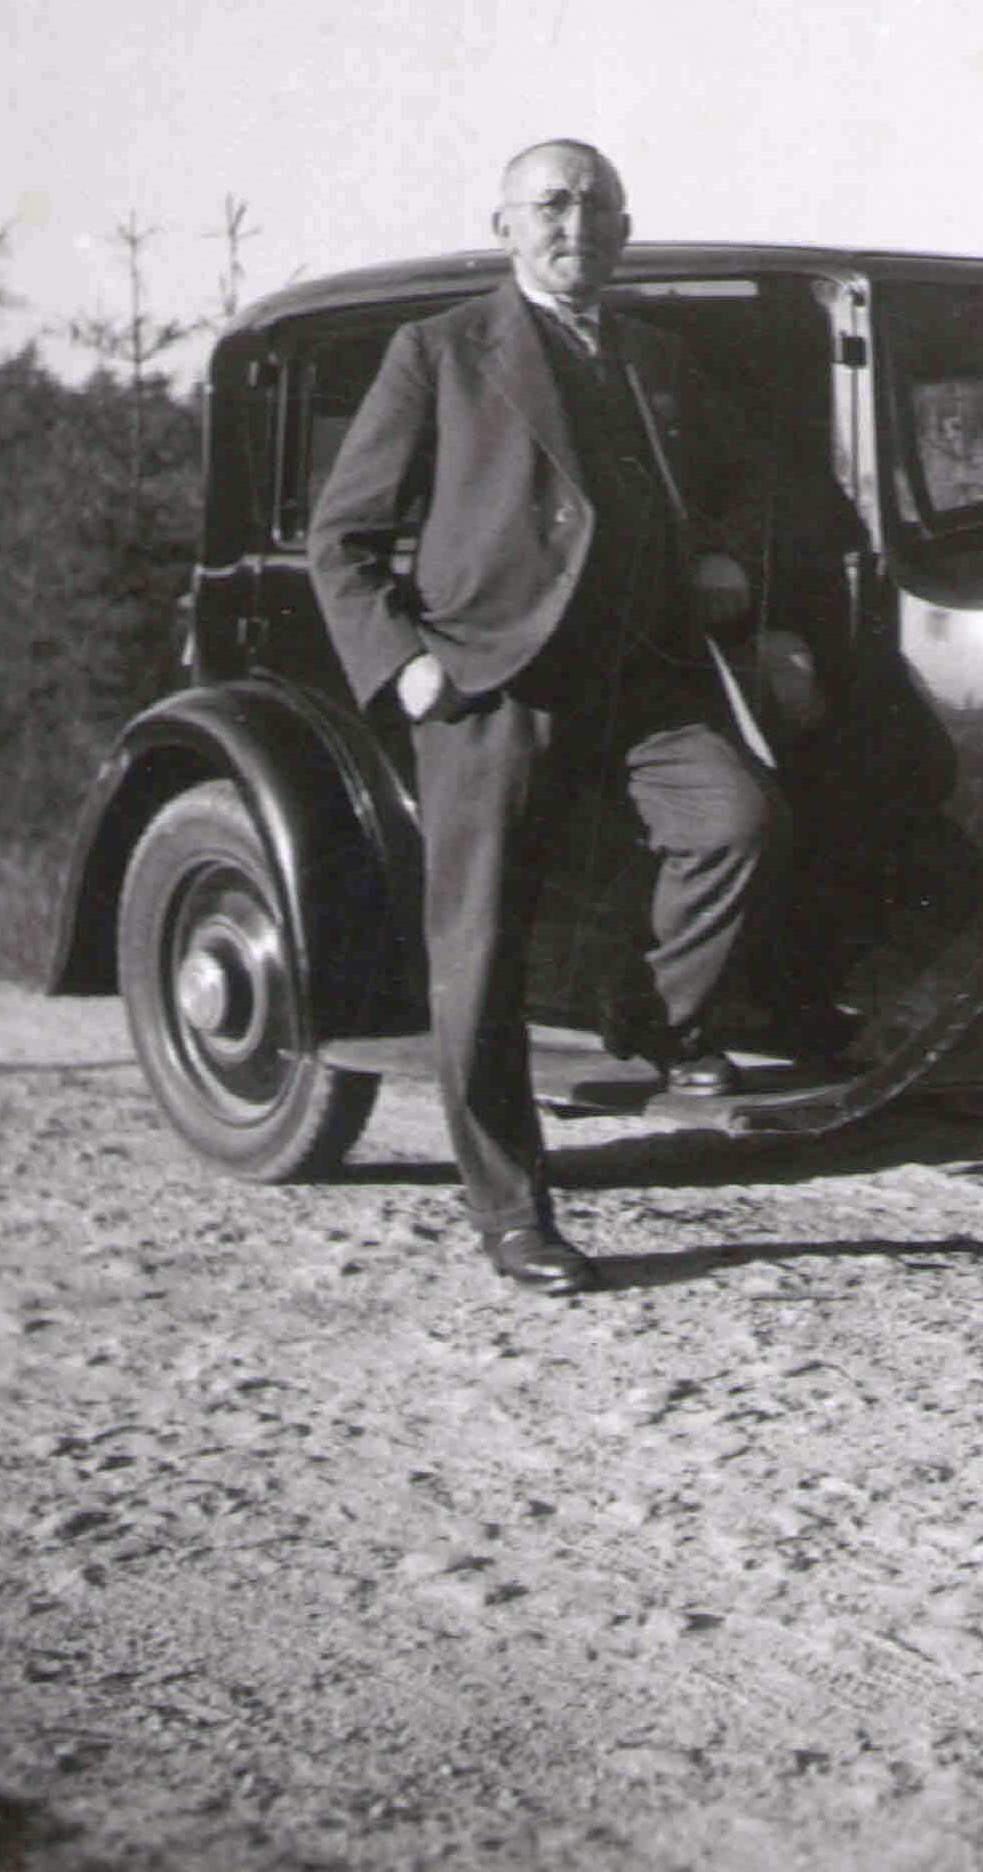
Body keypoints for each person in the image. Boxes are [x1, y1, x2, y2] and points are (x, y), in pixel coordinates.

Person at [308, 139, 787, 1296]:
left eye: (598, 205)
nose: (577, 225)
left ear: (625, 226)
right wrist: (402, 666)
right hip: (490, 679)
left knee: (735, 820)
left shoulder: (659, 359)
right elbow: (345, 534)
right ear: (505, 226)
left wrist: (726, 558)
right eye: (552, 205)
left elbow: (739, 486)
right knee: (476, 952)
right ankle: (514, 1214)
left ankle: (643, 1012)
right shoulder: (438, 352)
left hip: (644, 675)